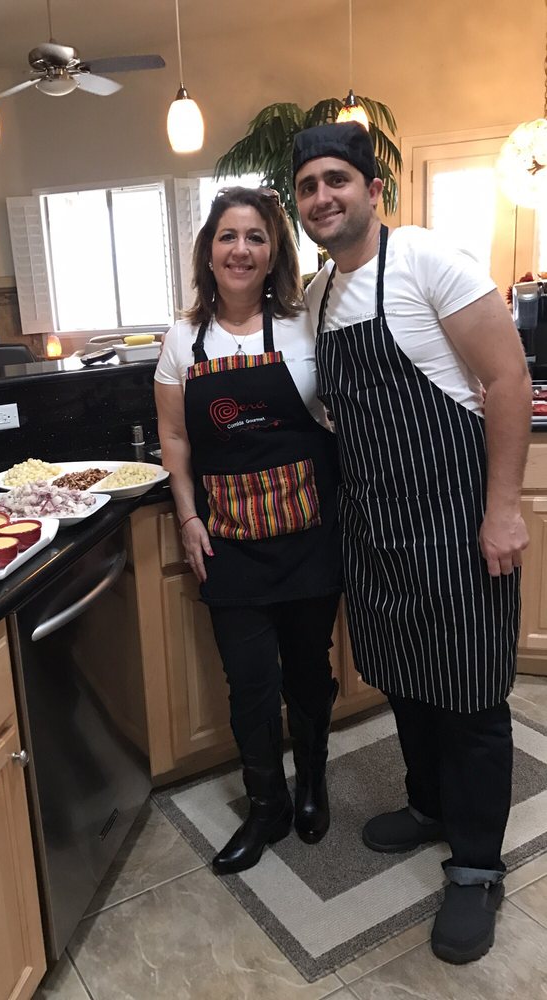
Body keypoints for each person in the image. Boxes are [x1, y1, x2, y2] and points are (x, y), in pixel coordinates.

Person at [292, 122, 532, 964]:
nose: (322, 197)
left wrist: (503, 509)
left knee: (469, 698)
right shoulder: (319, 296)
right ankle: (430, 805)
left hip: (458, 522)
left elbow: (508, 379)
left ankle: (477, 866)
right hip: (377, 532)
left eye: (336, 180)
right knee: (406, 682)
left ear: (372, 190)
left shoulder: (427, 260)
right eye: (308, 186)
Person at [154, 186, 343, 875]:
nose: (241, 249)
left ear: (273, 254)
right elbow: (175, 437)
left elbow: (339, 411)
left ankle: (313, 782)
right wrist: (187, 516)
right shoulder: (182, 338)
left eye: (256, 237)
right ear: (209, 251)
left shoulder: (305, 324)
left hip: (308, 532)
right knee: (250, 683)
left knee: (309, 671)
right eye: (228, 236)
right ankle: (267, 805)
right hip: (229, 540)